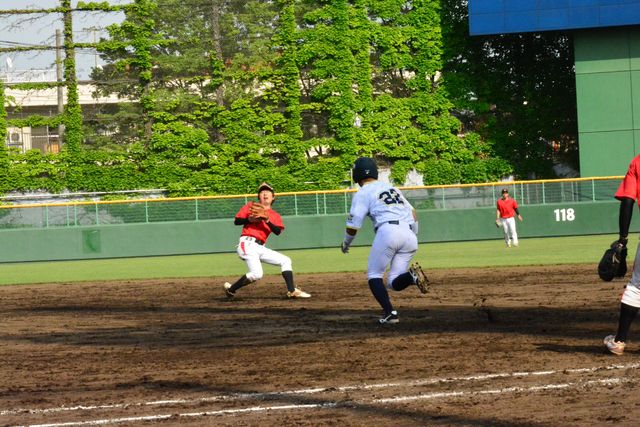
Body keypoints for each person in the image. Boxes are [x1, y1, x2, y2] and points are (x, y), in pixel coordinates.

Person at [340, 157, 428, 324]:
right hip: (409, 234)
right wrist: (413, 235)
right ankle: (411, 277)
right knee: (393, 282)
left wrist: (346, 243)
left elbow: (354, 224)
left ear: (356, 175)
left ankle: (390, 314)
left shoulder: (363, 193)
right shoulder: (392, 188)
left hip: (388, 231)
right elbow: (413, 213)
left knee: (374, 275)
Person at [223, 182, 311, 299]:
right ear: (259, 196)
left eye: (268, 192)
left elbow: (277, 231)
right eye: (262, 192)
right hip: (247, 243)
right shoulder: (251, 206)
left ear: (273, 197)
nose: (265, 194)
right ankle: (231, 289)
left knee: (285, 261)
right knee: (257, 274)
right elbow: (237, 221)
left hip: (260, 247)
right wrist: (249, 220)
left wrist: (267, 220)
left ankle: (292, 291)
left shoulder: (275, 215)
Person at [604, 154, 640, 355]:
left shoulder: (637, 162)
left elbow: (627, 201)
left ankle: (619, 341)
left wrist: (623, 239)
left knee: (636, 287)